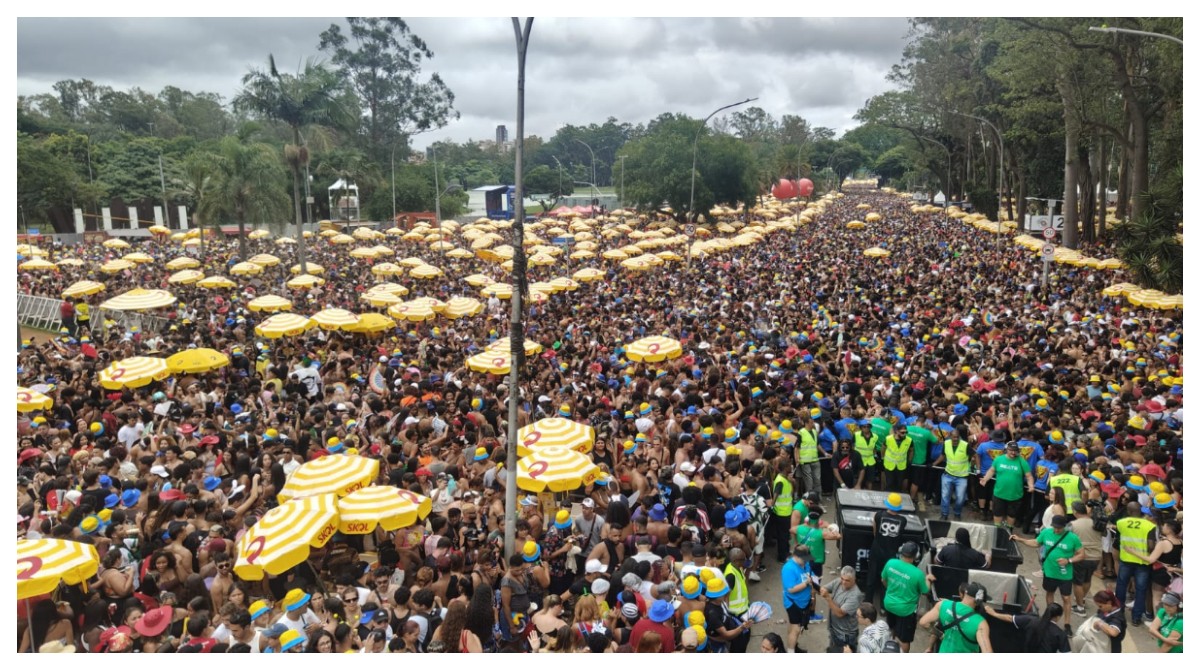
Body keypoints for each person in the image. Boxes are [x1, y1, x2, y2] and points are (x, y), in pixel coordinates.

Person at [1012, 515, 1084, 635]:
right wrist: (1020, 540)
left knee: (1066, 598)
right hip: (1049, 572)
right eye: (1055, 527)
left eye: (1059, 528)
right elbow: (1036, 542)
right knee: (1049, 593)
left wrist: (1069, 560)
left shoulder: (1073, 538)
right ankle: (1050, 617)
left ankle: (1067, 624)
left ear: (1065, 527)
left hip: (1065, 574)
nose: (1056, 530)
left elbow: (1081, 554)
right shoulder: (1046, 532)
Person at [879, 541, 932, 653]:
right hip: (905, 611)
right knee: (904, 639)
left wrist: (892, 589)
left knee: (891, 629)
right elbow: (925, 591)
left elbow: (883, 580)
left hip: (889, 604)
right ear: (916, 556)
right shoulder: (917, 574)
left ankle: (890, 648)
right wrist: (928, 579)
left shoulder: (890, 563)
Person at [1112, 501, 1159, 627]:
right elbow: (1150, 546)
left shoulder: (1121, 523)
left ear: (1128, 511)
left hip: (1126, 559)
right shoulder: (1149, 525)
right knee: (1141, 590)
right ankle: (1136, 617)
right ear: (1141, 511)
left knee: (1121, 586)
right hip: (1142, 562)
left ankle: (1118, 612)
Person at [919, 581, 992, 653]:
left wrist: (941, 635)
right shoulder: (980, 623)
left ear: (965, 593)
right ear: (978, 600)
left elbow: (923, 622)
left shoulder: (943, 605)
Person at [978, 441, 1034, 529]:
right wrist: (985, 479)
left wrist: (1031, 485)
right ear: (1006, 450)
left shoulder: (1022, 461)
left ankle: (1009, 531)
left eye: (1015, 450)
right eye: (1011, 450)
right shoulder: (999, 459)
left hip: (1015, 495)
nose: (1013, 452)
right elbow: (992, 470)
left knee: (1011, 515)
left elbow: (1029, 476)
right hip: (999, 494)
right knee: (997, 514)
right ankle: (997, 530)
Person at [866, 492, 907, 602]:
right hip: (891, 554)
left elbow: (874, 530)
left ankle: (868, 601)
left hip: (876, 550)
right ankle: (884, 606)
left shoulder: (878, 515)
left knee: (871, 577)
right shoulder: (903, 520)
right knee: (887, 578)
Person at [984, 602, 1069, 653]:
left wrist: (994, 613)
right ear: (1058, 617)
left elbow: (1010, 618)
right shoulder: (1060, 634)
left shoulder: (1030, 620)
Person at [1068, 500, 1104, 614]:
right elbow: (1104, 535)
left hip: (1081, 557)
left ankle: (1080, 608)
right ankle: (1082, 599)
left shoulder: (1073, 525)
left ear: (1075, 511)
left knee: (1077, 582)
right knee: (1087, 579)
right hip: (1096, 557)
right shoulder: (1096, 523)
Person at [819, 565, 863, 652]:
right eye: (842, 578)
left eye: (847, 580)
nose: (843, 582)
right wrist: (819, 588)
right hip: (834, 630)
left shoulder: (855, 595)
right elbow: (824, 588)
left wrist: (828, 598)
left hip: (845, 635)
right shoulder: (838, 581)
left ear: (854, 580)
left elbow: (840, 613)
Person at [780, 545, 814, 653]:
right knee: (796, 629)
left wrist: (814, 581)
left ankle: (793, 646)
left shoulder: (805, 563)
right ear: (797, 556)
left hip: (803, 602)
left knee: (794, 627)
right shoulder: (788, 568)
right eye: (804, 560)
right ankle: (791, 651)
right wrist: (806, 583)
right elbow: (790, 589)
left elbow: (809, 574)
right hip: (794, 603)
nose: (806, 562)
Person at [936, 425, 972, 520]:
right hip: (948, 474)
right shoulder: (946, 443)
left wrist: (975, 468)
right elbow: (943, 455)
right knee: (945, 496)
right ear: (950, 436)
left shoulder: (965, 445)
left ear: (959, 436)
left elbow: (975, 456)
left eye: (957, 437)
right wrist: (934, 463)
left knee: (960, 498)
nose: (955, 439)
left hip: (962, 476)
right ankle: (944, 514)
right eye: (953, 437)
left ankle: (957, 513)